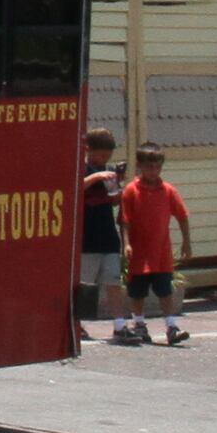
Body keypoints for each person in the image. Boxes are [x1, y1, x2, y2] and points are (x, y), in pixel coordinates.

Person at [119, 145, 193, 344]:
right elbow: (125, 221)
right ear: (140, 166)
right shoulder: (131, 191)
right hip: (139, 252)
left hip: (161, 252)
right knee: (137, 291)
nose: (154, 171)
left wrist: (186, 242)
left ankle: (171, 326)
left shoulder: (168, 191)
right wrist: (126, 244)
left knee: (164, 289)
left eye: (158, 167)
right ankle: (139, 323)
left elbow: (182, 216)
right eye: (149, 167)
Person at [77, 130, 136, 345]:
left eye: (107, 156)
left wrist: (117, 184)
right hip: (87, 238)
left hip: (107, 236)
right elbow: (75, 188)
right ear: (88, 151)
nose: (104, 161)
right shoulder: (82, 169)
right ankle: (77, 324)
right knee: (85, 283)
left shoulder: (107, 172)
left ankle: (120, 325)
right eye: (100, 156)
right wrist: (95, 176)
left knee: (113, 281)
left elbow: (113, 200)